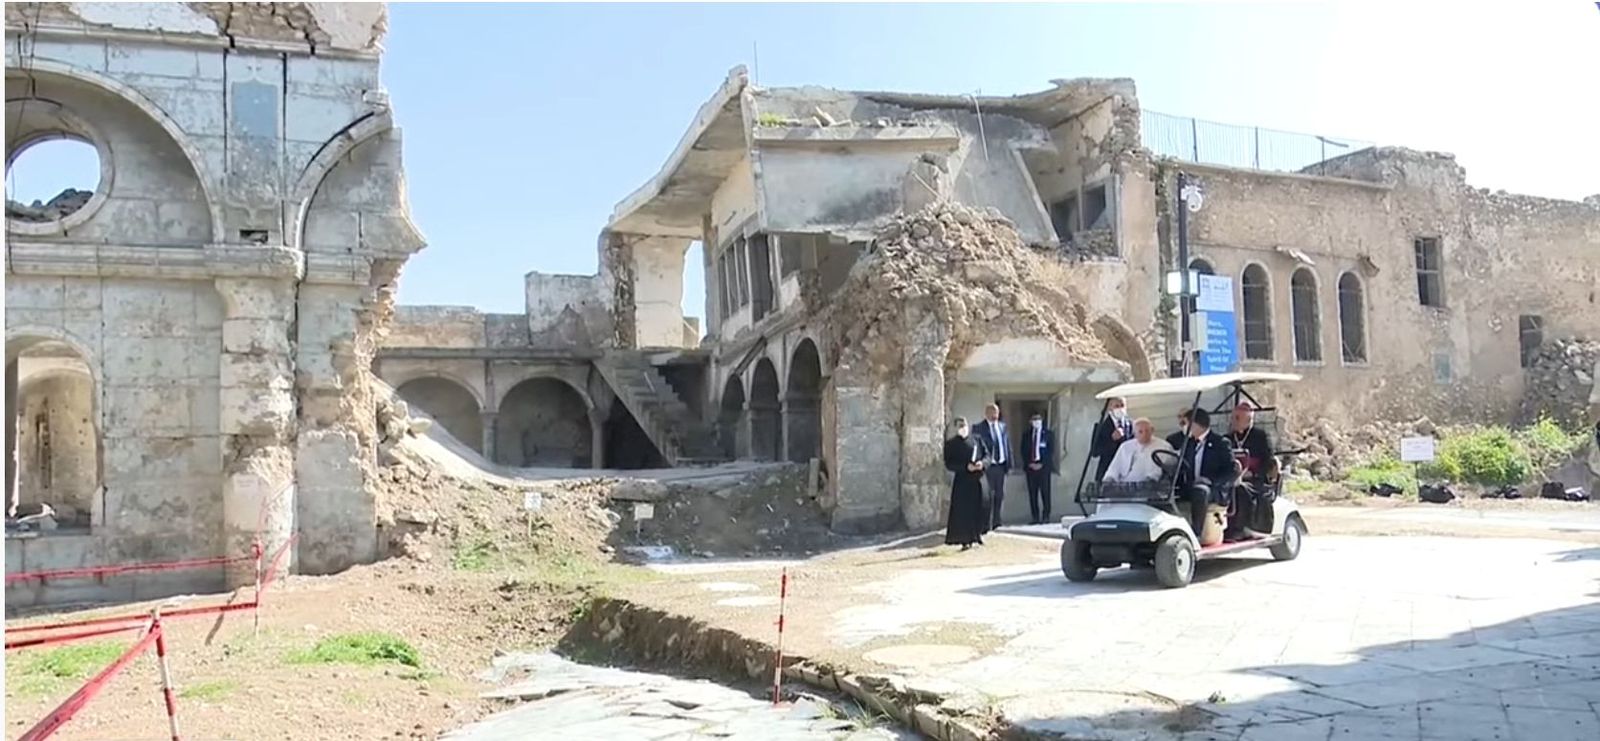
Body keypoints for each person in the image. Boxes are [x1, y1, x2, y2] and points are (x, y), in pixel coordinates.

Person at [1174, 409, 1236, 537]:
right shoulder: (1188, 443)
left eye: (1186, 423)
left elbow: (1231, 470)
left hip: (1213, 488)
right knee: (1166, 492)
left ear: (1195, 424)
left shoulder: (1220, 442)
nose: (1184, 427)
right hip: (1191, 485)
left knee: (1200, 491)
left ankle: (1196, 534)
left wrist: (1210, 481)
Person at [1226, 403, 1274, 539]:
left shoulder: (1260, 437)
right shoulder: (1228, 438)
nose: (1233, 421)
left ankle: (1241, 527)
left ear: (1248, 420)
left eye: (1237, 418)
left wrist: (1254, 473)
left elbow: (1268, 460)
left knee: (1240, 489)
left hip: (1254, 479)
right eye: (1233, 417)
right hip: (1233, 478)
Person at [943, 417, 989, 550]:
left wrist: (982, 464)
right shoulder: (951, 444)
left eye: (964, 425)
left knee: (980, 507)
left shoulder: (977, 440)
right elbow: (949, 464)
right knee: (963, 511)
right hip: (963, 482)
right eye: (959, 426)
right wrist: (965, 467)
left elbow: (987, 456)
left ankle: (978, 534)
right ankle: (965, 540)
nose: (962, 428)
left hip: (979, 479)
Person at [971, 404, 1011, 530]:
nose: (995, 415)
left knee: (999, 495)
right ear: (986, 413)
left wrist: (1009, 464)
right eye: (992, 413)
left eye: (996, 413)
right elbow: (976, 447)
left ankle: (997, 522)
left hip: (1000, 466)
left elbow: (1007, 445)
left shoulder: (1003, 427)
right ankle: (985, 523)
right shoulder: (978, 428)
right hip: (988, 466)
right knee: (987, 496)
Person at [1102, 418, 1175, 484]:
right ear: (1134, 434)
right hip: (1125, 485)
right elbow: (1114, 468)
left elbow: (1171, 467)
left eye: (1147, 431)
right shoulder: (1125, 447)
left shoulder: (1164, 446)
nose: (1144, 434)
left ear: (1152, 430)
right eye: (1140, 432)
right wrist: (1109, 478)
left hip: (1150, 486)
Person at [1022, 413, 1055, 525]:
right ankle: (1035, 517)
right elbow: (1023, 451)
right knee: (1033, 494)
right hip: (1031, 468)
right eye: (1034, 419)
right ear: (1030, 422)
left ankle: (1046, 516)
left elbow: (1051, 451)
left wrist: (1042, 464)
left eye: (1038, 419)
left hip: (1044, 468)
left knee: (1045, 492)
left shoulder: (1048, 434)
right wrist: (1029, 463)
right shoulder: (1026, 435)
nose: (1036, 421)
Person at [1092, 397, 1134, 482]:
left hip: (1126, 472)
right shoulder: (1101, 426)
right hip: (1107, 470)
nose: (1120, 409)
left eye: (1122, 405)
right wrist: (1112, 440)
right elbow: (1095, 452)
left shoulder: (1130, 424)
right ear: (1110, 408)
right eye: (1116, 406)